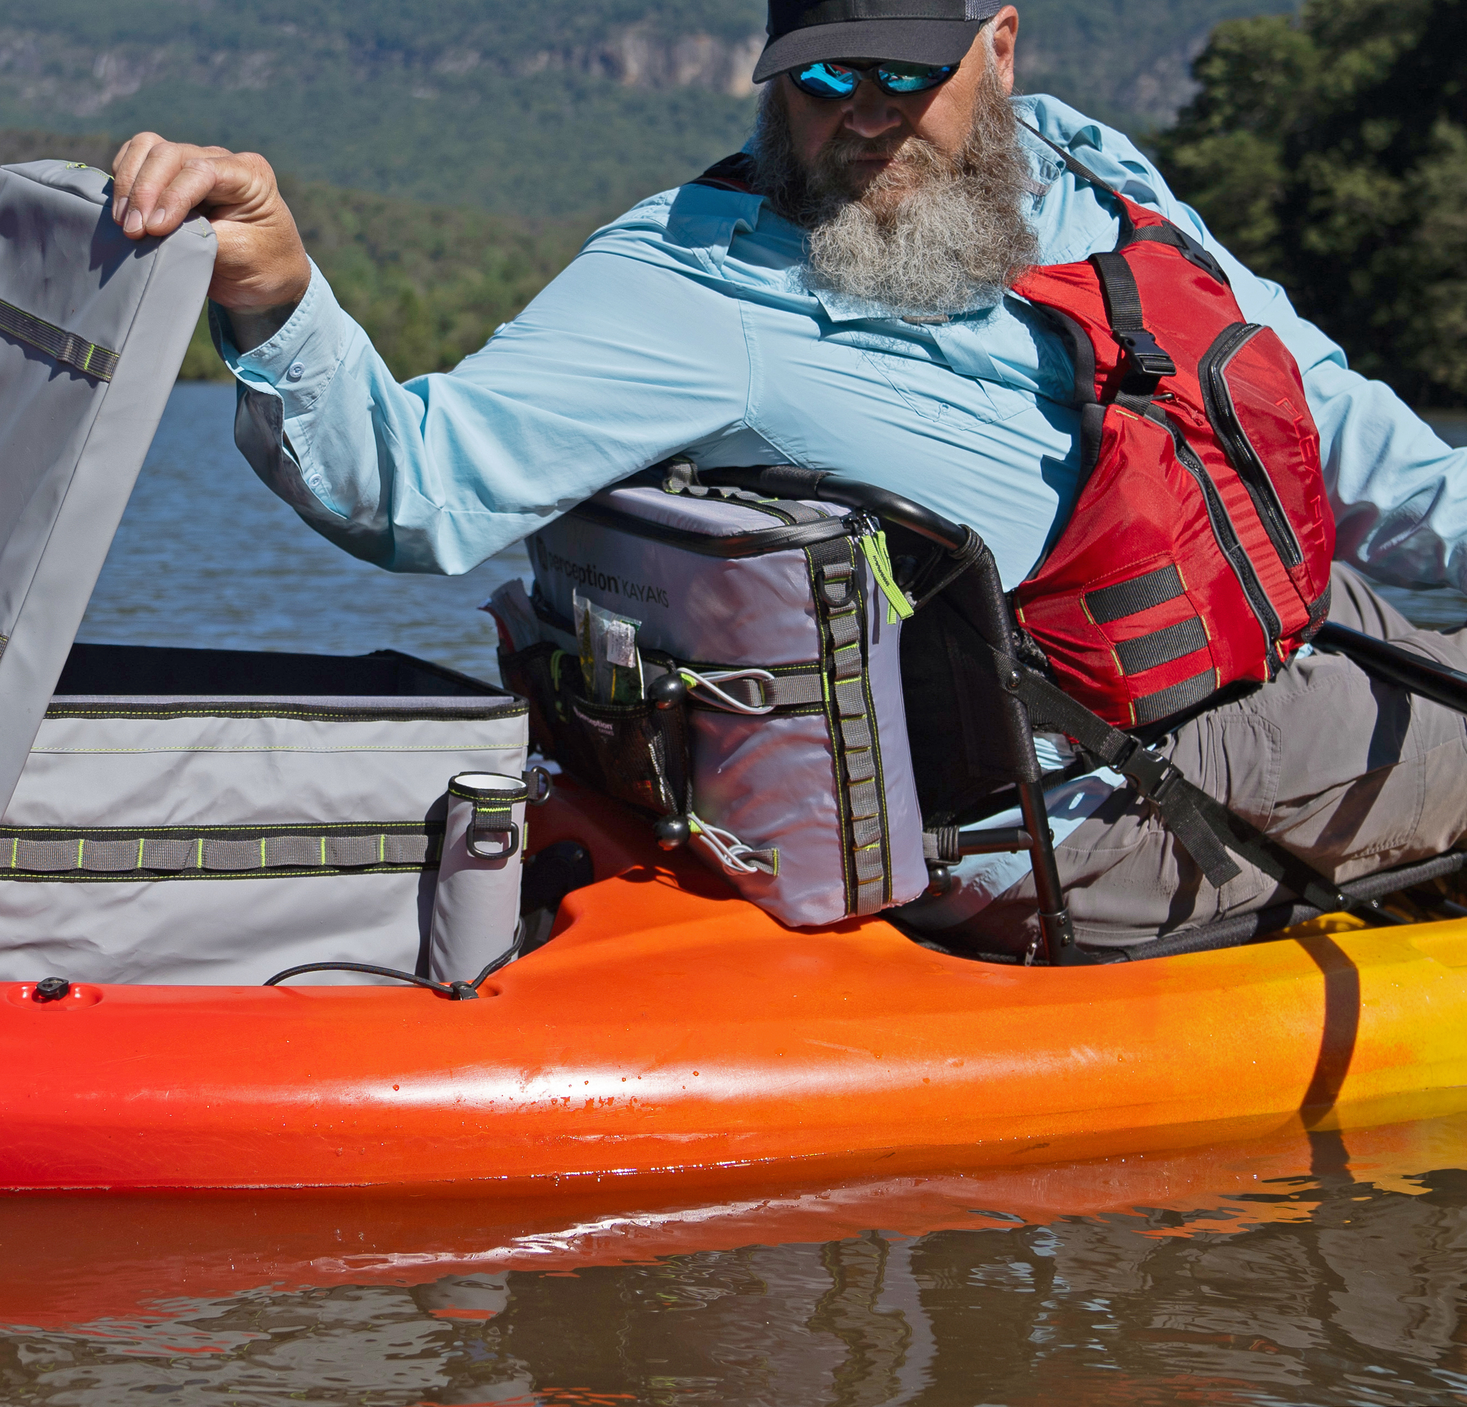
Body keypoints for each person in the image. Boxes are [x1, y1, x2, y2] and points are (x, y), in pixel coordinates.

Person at [106, 0, 1467, 949]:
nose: (865, 116)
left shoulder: (1092, 177)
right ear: (773, 77)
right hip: (1092, 802)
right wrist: (278, 293)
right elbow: (410, 485)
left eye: (905, 71)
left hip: (1264, 628)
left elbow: (1329, 422)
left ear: (997, 48)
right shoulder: (695, 282)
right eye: (825, 77)